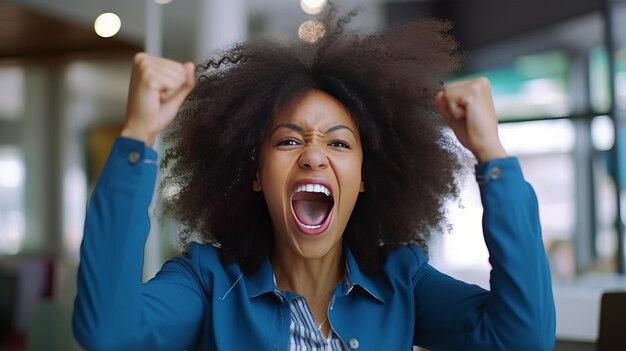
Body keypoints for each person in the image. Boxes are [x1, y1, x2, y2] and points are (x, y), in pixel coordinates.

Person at [72, 7, 555, 351]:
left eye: (339, 143)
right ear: (256, 174)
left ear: (364, 177)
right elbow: (108, 334)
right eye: (287, 141)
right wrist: (139, 135)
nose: (314, 157)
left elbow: (522, 337)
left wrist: (491, 156)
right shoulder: (205, 282)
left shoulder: (402, 282)